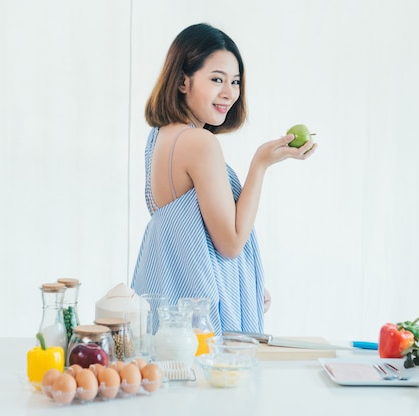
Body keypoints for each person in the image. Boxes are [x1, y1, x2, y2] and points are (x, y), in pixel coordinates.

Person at [130, 23, 316, 335]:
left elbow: (190, 236)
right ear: (182, 81)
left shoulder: (159, 138)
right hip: (204, 321)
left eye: (235, 81)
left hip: (175, 316)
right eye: (217, 79)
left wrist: (244, 281)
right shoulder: (200, 143)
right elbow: (229, 243)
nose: (229, 93)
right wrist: (260, 163)